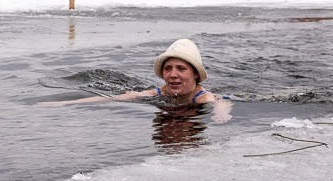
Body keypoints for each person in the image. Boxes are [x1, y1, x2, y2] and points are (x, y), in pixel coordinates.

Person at [40, 39, 231, 121]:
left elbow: (219, 102)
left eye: (181, 69)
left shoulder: (201, 97)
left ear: (195, 74)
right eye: (168, 68)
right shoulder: (157, 93)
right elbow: (114, 98)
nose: (173, 74)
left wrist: (220, 114)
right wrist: (65, 103)